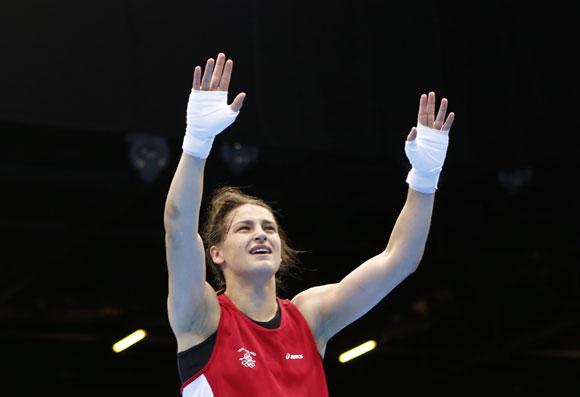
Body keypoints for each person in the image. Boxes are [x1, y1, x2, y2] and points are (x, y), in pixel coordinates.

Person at [163, 52, 455, 397]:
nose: (260, 234)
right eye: (244, 228)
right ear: (216, 254)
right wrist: (197, 142)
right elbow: (178, 227)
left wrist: (424, 178)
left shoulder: (311, 317)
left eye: (268, 228)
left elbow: (399, 260)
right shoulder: (202, 317)